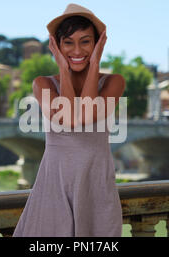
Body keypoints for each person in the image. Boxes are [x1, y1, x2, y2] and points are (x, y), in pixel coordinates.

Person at [12, 3, 126, 237]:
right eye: (68, 42)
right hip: (54, 187)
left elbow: (83, 114)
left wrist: (94, 64)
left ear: (97, 45)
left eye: (85, 41)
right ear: (57, 46)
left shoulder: (114, 82)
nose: (77, 50)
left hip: (97, 187)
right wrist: (64, 69)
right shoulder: (42, 84)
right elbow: (70, 120)